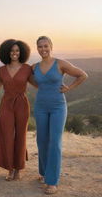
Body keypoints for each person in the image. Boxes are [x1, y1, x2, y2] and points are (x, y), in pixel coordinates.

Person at [32, 36, 87, 195]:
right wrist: (42, 87)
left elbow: (83, 75)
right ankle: (43, 173)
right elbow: (31, 80)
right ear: (37, 48)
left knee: (54, 142)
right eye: (40, 47)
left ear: (51, 46)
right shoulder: (34, 67)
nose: (43, 49)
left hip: (58, 107)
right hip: (40, 107)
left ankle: (52, 181)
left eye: (46, 46)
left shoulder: (60, 63)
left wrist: (69, 87)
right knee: (41, 140)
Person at [0, 39, 34, 181]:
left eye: (17, 50)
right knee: (6, 134)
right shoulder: (1, 70)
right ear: (7, 52)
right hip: (6, 103)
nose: (14, 53)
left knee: (20, 136)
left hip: (22, 104)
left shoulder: (27, 69)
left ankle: (18, 169)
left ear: (22, 52)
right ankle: (9, 168)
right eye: (12, 50)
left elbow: (38, 84)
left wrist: (54, 86)